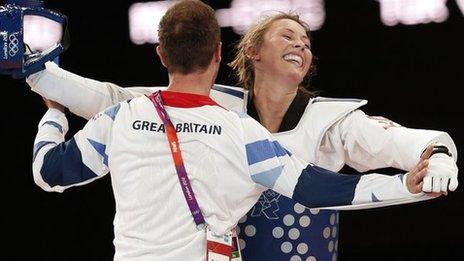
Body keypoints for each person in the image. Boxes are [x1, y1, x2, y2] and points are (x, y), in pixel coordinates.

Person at [27, 6, 458, 261]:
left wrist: (438, 154)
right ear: (247, 51)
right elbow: (110, 97)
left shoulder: (332, 122)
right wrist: (38, 75)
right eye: (287, 35)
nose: (301, 45)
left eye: (307, 42)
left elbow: (411, 144)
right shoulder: (225, 116)